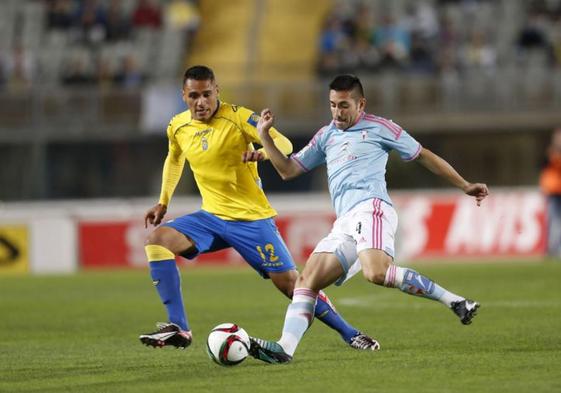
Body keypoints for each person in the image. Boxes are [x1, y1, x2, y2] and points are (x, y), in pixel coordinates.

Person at [248, 74, 489, 364]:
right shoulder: (326, 135)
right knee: (306, 281)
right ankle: (284, 348)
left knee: (376, 273)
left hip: (372, 209)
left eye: (344, 105)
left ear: (361, 104)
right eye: (333, 105)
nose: (338, 112)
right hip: (344, 221)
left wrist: (464, 185)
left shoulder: (380, 127)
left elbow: (423, 155)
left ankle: (455, 301)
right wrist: (264, 136)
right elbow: (288, 170)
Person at [139, 66, 378, 351]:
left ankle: (350, 332)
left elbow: (284, 143)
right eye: (193, 96)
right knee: (158, 241)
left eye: (206, 94)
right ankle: (179, 327)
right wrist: (163, 201)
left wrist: (262, 152)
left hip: (252, 220)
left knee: (293, 285)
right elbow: (174, 158)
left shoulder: (238, 116)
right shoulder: (177, 125)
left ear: (217, 91)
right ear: (184, 96)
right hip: (211, 216)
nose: (200, 102)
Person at [539, 127, 561, 258]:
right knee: (553, 220)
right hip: (553, 191)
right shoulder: (550, 153)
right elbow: (545, 167)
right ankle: (552, 249)